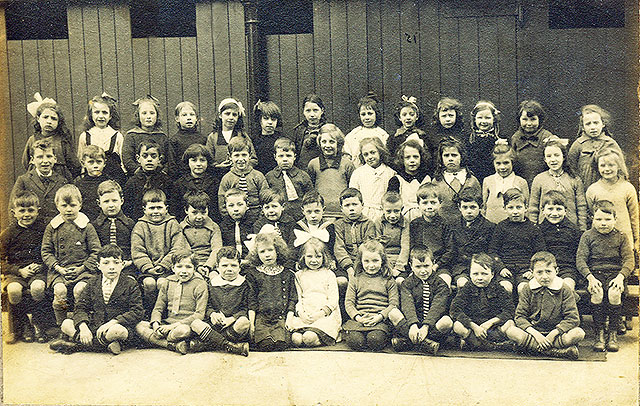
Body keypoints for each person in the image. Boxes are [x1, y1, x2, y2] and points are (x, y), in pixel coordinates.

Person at [49, 244, 144, 355]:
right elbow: (80, 307)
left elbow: (137, 311)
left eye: (116, 262)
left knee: (118, 331)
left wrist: (113, 322)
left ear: (122, 265)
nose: (111, 267)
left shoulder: (130, 283)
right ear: (98, 266)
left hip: (116, 326)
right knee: (66, 324)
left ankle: (77, 345)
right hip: (95, 327)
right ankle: (104, 344)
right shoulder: (92, 282)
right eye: (106, 263)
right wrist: (83, 327)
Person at [577, 200, 634, 352]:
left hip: (615, 275)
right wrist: (589, 277)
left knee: (614, 294)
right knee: (597, 293)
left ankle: (613, 334)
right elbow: (581, 259)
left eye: (608, 219)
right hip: (595, 275)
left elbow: (629, 259)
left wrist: (621, 276)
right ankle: (599, 334)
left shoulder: (621, 237)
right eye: (599, 219)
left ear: (615, 219)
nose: (603, 223)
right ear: (592, 219)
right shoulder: (587, 236)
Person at [41, 184, 100, 328]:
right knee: (60, 292)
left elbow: (96, 251)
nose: (68, 209)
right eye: (64, 205)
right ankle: (62, 326)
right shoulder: (52, 227)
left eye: (72, 205)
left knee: (80, 290)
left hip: (83, 271)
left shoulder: (86, 226)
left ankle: (80, 324)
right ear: (57, 206)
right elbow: (46, 251)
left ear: (80, 205)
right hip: (60, 271)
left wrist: (82, 268)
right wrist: (58, 267)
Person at [508, 251, 585, 360]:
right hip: (534, 332)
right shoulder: (528, 288)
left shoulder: (564, 289)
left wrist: (554, 333)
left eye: (548, 271)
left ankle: (533, 348)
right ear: (532, 272)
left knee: (578, 333)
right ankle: (556, 351)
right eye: (539, 272)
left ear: (556, 271)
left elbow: (572, 318)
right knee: (511, 331)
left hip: (556, 333)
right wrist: (536, 334)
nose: (544, 276)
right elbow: (520, 317)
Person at [136, 251, 208, 354]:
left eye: (188, 267)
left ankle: (156, 340)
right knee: (140, 325)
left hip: (186, 324)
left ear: (194, 269)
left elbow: (199, 314)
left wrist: (171, 327)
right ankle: (172, 345)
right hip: (167, 323)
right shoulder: (168, 282)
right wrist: (156, 324)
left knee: (183, 331)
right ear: (173, 268)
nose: (184, 271)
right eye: (179, 267)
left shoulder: (200, 284)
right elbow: (158, 308)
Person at [1, 191, 50, 343]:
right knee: (14, 290)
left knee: (38, 288)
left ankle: (38, 323)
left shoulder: (44, 231)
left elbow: (50, 251)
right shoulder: (8, 234)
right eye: (22, 210)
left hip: (38, 272)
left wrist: (41, 265)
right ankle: (20, 326)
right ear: (13, 212)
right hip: (16, 272)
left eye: (31, 210)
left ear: (38, 210)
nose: (26, 214)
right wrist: (18, 271)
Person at [131, 189, 189, 314]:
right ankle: (149, 312)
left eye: (159, 207)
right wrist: (148, 267)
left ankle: (164, 313)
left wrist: (164, 265)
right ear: (144, 209)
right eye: (152, 208)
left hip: (167, 269)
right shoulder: (140, 226)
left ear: (166, 209)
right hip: (147, 270)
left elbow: (177, 248)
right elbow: (138, 251)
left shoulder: (172, 224)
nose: (156, 211)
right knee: (149, 283)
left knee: (163, 283)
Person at [342, 240, 407, 351]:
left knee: (375, 340)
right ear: (360, 261)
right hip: (360, 319)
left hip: (380, 320)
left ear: (382, 260)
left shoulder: (388, 279)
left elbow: (394, 304)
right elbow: (349, 303)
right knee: (355, 342)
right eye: (366, 261)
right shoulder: (355, 278)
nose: (371, 265)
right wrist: (358, 317)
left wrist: (380, 317)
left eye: (375, 261)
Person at [189, 247, 250, 356]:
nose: (229, 269)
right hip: (215, 324)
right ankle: (229, 345)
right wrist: (212, 314)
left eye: (234, 265)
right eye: (224, 265)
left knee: (244, 323)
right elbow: (207, 305)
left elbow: (245, 308)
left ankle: (207, 343)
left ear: (239, 268)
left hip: (232, 325)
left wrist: (232, 318)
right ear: (217, 267)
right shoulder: (211, 284)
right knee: (195, 323)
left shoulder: (244, 285)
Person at [450, 253, 518, 351]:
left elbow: (509, 310)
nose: (480, 278)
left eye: (484, 274)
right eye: (475, 274)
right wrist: (473, 326)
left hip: (492, 328)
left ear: (492, 274)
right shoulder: (467, 288)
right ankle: (490, 345)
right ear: (470, 274)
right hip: (473, 327)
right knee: (457, 325)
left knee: (510, 323)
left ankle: (477, 344)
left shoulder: (498, 288)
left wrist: (491, 322)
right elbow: (455, 310)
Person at [392, 246, 453, 354]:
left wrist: (426, 326)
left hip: (432, 327)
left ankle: (409, 342)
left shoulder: (440, 284)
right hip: (411, 326)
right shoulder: (407, 283)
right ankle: (425, 344)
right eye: (418, 267)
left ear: (433, 263)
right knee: (393, 313)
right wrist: (413, 325)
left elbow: (437, 307)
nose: (423, 271)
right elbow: (407, 305)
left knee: (447, 322)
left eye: (426, 266)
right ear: (411, 266)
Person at [245, 231, 297, 351]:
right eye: (262, 252)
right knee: (265, 345)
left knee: (280, 345)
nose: (267, 255)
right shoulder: (253, 274)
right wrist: (251, 324)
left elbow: (292, 299)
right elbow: (251, 301)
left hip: (281, 318)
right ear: (256, 254)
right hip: (261, 319)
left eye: (270, 250)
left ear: (277, 251)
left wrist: (289, 320)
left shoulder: (287, 274)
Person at [488, 188, 545, 295]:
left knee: (523, 288)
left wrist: (532, 270)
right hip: (506, 268)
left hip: (525, 269)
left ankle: (523, 312)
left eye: (519, 207)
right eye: (510, 207)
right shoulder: (501, 227)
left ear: (526, 208)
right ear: (504, 208)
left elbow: (540, 253)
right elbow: (492, 251)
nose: (515, 211)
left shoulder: (533, 228)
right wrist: (500, 268)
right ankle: (507, 312)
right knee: (505, 288)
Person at [288, 238, 341, 347]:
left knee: (308, 338)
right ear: (303, 257)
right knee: (296, 339)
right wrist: (301, 313)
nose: (314, 260)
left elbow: (333, 300)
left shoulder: (329, 274)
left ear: (324, 257)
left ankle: (322, 337)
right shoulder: (299, 275)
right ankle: (312, 337)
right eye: (309, 256)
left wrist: (320, 314)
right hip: (305, 314)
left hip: (324, 315)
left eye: (318, 257)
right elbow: (297, 298)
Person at [586, 147, 639, 254]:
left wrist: (637, 239)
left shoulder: (628, 188)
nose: (607, 169)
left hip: (624, 241)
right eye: (603, 165)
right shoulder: (592, 190)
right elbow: (592, 214)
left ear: (619, 166)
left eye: (611, 165)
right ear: (597, 167)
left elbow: (634, 217)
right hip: (600, 241)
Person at [529, 137, 587, 231]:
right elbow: (533, 207)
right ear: (544, 159)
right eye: (549, 156)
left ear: (563, 157)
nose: (553, 159)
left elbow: (581, 207)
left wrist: (582, 229)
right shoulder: (539, 179)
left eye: (556, 155)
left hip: (570, 228)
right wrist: (534, 229)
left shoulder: (574, 179)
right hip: (545, 229)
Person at [445, 188, 496, 289]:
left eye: (473, 207)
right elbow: (451, 250)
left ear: (480, 207)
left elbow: (491, 252)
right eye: (465, 207)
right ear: (459, 207)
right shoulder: (452, 225)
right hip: (461, 267)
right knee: (462, 283)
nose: (469, 211)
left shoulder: (489, 227)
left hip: (481, 268)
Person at [22, 94, 80, 180]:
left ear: (58, 122)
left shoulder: (62, 140)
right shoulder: (32, 140)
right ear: (38, 118)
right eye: (45, 117)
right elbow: (26, 162)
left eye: (53, 118)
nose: (49, 121)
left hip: (60, 179)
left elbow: (74, 164)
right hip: (37, 179)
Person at [10, 139, 66, 225]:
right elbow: (13, 207)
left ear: (55, 159)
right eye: (40, 157)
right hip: (31, 229)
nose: (45, 161)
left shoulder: (62, 181)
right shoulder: (23, 180)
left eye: (49, 156)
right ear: (32, 160)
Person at [567, 104, 623, 189]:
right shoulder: (578, 144)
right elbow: (571, 168)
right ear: (583, 127)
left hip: (608, 188)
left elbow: (621, 168)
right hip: (584, 189)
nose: (593, 127)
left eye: (596, 123)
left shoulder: (610, 143)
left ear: (603, 124)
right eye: (588, 124)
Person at [307, 124, 355, 220]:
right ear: (319, 143)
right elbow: (311, 188)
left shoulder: (347, 164)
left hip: (342, 214)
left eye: (332, 142)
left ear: (339, 143)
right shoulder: (313, 164)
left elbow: (352, 189)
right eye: (324, 142)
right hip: (320, 214)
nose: (327, 145)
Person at [409, 182, 453, 287]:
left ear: (440, 203)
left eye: (433, 202)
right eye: (425, 203)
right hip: (419, 265)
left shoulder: (445, 224)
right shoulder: (415, 224)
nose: (429, 207)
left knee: (445, 281)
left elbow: (450, 250)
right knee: (410, 284)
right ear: (418, 204)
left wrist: (436, 265)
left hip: (440, 265)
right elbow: (411, 247)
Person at [77, 93, 126, 185]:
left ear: (110, 116)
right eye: (96, 112)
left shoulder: (117, 136)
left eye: (104, 112)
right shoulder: (85, 136)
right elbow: (81, 160)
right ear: (91, 115)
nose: (100, 116)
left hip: (113, 179)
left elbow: (122, 163)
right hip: (92, 179)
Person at [217, 136, 269, 223]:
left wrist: (261, 218)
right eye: (236, 155)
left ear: (250, 156)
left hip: (256, 219)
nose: (240, 159)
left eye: (244, 155)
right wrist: (229, 219)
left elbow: (266, 199)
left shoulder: (258, 176)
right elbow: (222, 202)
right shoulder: (227, 178)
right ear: (230, 157)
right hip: (234, 219)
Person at [431, 136, 481, 224]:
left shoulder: (471, 180)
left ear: (461, 157)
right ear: (441, 158)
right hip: (443, 224)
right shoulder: (437, 181)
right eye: (446, 155)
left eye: (454, 155)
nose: (450, 159)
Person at [538, 191, 581, 291]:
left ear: (565, 210)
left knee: (567, 287)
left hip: (567, 269)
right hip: (546, 269)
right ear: (543, 210)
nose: (554, 213)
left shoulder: (573, 230)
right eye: (550, 209)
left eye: (559, 209)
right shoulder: (538, 230)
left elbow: (578, 254)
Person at [122, 95, 175, 176]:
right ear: (138, 116)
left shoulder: (162, 136)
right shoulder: (131, 136)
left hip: (159, 177)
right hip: (138, 177)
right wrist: (138, 172)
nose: (148, 117)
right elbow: (127, 159)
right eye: (144, 113)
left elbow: (169, 159)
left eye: (152, 113)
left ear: (157, 116)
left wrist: (163, 173)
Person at [92, 180, 136, 276]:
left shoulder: (129, 224)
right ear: (99, 203)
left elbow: (135, 248)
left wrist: (129, 262)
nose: (111, 205)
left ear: (122, 201)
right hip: (102, 267)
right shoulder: (95, 226)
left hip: (126, 266)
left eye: (114, 200)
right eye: (106, 201)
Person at [265, 137, 313, 222]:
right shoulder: (270, 177)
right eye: (281, 156)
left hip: (299, 217)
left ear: (294, 157)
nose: (285, 159)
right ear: (275, 157)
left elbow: (310, 197)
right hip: (278, 218)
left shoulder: (303, 176)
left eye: (288, 156)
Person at [122, 140, 173, 220]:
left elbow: (172, 206)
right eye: (145, 156)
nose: (149, 159)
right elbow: (127, 208)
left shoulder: (166, 181)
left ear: (159, 159)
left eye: (153, 156)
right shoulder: (132, 183)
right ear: (138, 158)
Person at [333, 188, 376, 283]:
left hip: (364, 263)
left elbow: (368, 247)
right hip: (344, 265)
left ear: (362, 205)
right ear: (341, 208)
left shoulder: (369, 224)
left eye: (355, 204)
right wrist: (349, 267)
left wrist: (359, 265)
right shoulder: (338, 224)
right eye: (347, 205)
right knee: (341, 281)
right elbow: (339, 248)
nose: (351, 208)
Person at [349, 137, 396, 222]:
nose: (370, 157)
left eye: (373, 153)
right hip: (364, 213)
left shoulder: (390, 172)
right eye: (366, 154)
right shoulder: (358, 173)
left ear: (380, 152)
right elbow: (353, 195)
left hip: (384, 214)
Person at [205, 97, 257, 172]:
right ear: (220, 115)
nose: (231, 117)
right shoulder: (213, 137)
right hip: (219, 176)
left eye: (234, 115)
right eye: (227, 114)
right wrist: (218, 166)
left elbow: (254, 159)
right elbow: (208, 160)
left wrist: (241, 166)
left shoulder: (243, 136)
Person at [510, 100, 556, 186]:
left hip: (543, 183)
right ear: (519, 119)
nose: (529, 123)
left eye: (533, 119)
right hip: (521, 183)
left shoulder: (546, 137)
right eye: (525, 119)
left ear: (540, 119)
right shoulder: (515, 138)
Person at [482, 142, 529, 224]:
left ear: (512, 162)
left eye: (506, 163)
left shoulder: (521, 182)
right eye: (498, 163)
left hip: (513, 225)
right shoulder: (488, 181)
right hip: (491, 224)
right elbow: (484, 206)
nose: (502, 167)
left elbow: (527, 208)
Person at [172, 143, 221, 222]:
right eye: (194, 160)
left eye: (202, 160)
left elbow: (216, 210)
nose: (198, 164)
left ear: (207, 162)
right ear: (188, 162)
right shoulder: (179, 184)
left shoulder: (214, 183)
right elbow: (176, 210)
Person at [180, 191, 222, 279]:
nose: (199, 217)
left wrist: (208, 266)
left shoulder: (214, 227)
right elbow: (186, 251)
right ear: (186, 210)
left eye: (203, 212)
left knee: (215, 279)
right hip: (190, 264)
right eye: (194, 213)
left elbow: (217, 249)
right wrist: (198, 266)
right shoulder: (181, 228)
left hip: (212, 264)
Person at [387, 139, 432, 221]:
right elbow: (391, 203)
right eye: (407, 157)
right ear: (402, 160)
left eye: (415, 157)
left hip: (425, 218)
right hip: (404, 219)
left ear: (421, 158)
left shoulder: (427, 178)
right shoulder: (396, 180)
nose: (412, 160)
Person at [386, 95, 432, 171]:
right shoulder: (394, 138)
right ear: (400, 118)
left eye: (411, 114)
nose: (408, 118)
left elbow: (428, 157)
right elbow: (390, 158)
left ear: (417, 117)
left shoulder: (423, 136)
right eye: (404, 115)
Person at [343, 92, 389, 167]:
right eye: (363, 114)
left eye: (370, 113)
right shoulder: (354, 134)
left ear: (376, 114)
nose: (367, 117)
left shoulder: (382, 134)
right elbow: (347, 153)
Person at [374, 192, 410, 285]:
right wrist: (386, 265)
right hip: (384, 261)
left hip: (400, 261)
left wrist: (398, 267)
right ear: (382, 209)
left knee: (399, 281)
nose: (393, 215)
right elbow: (378, 247)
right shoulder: (379, 223)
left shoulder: (405, 223)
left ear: (402, 209)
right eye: (388, 211)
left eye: (396, 211)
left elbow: (405, 247)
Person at [466, 100, 504, 183]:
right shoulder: (469, 139)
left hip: (494, 178)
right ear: (474, 119)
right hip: (474, 178)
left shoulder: (500, 138)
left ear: (494, 119)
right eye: (480, 118)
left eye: (487, 118)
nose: (483, 121)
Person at [74, 145, 112, 221]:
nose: (95, 166)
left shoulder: (109, 182)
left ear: (104, 163)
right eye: (91, 162)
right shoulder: (78, 183)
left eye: (99, 162)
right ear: (83, 163)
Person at [169, 101, 207, 175]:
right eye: (184, 115)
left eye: (192, 115)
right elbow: (172, 165)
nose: (189, 118)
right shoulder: (174, 140)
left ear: (196, 118)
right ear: (177, 119)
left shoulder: (203, 139)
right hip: (182, 179)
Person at [293, 94, 327, 170]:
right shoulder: (299, 130)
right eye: (308, 111)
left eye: (315, 110)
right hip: (302, 170)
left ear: (322, 111)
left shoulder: (327, 129)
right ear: (303, 112)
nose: (312, 114)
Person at [219, 188, 253, 259]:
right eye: (231, 205)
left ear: (247, 205)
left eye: (240, 204)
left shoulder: (253, 222)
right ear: (225, 207)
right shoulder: (223, 226)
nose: (236, 209)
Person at [252, 100, 283, 174]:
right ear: (260, 120)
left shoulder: (281, 139)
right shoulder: (254, 140)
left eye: (273, 119)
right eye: (266, 118)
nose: (270, 122)